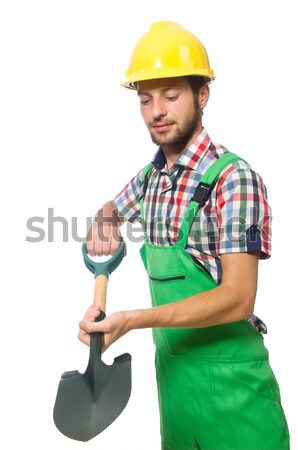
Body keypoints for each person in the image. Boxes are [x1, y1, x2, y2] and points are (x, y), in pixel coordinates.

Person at [78, 22, 290, 449]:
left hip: (236, 399)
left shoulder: (234, 180)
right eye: (145, 99)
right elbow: (111, 212)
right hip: (176, 393)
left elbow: (238, 296)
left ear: (202, 96)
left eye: (171, 96)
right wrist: (102, 235)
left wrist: (133, 320)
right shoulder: (153, 177)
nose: (157, 110)